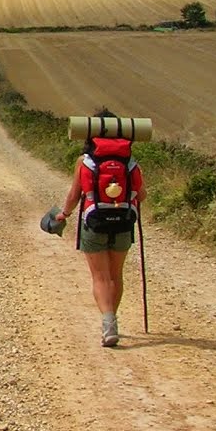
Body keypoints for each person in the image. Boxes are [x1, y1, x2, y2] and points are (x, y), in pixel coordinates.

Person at [53, 131, 143, 347]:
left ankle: (108, 321)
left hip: (94, 223)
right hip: (123, 222)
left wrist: (64, 214)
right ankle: (111, 320)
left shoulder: (85, 162)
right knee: (115, 275)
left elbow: (75, 195)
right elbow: (142, 194)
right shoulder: (130, 162)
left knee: (100, 277)